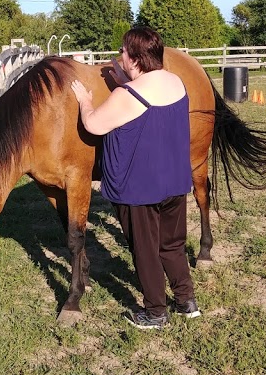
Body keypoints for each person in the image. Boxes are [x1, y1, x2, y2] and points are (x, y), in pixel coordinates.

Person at [70, 26, 201, 329]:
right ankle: (186, 300)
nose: (120, 56)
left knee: (145, 251)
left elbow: (93, 125)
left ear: (134, 57)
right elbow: (147, 102)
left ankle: (155, 311)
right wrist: (123, 82)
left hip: (140, 189)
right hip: (174, 182)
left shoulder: (126, 94)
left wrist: (84, 100)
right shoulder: (176, 82)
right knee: (172, 245)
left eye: (123, 51)